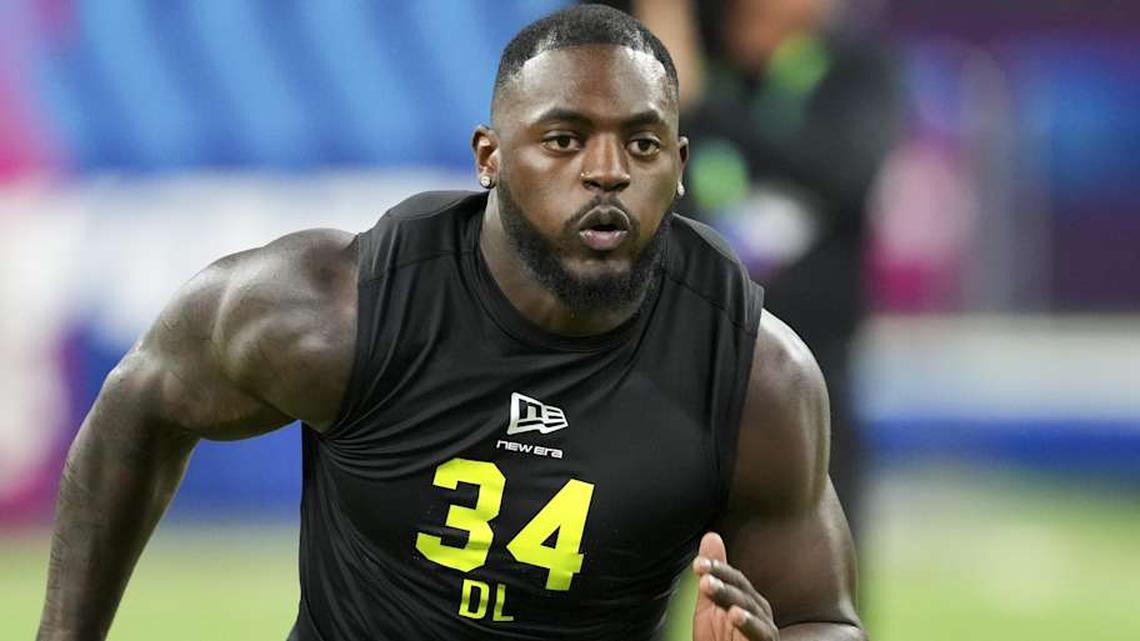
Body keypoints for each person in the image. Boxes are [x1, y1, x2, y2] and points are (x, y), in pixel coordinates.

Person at [37, 6, 864, 641]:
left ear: (678, 168)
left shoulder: (752, 374)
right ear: (489, 157)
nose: (606, 171)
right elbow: (138, 406)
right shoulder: (339, 308)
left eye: (641, 145)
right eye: (565, 139)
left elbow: (822, 614)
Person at [628, 0, 906, 542]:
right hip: (677, 363)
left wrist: (706, 108)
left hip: (808, 375)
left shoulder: (855, 65)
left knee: (811, 597)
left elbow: (844, 170)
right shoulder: (682, 60)